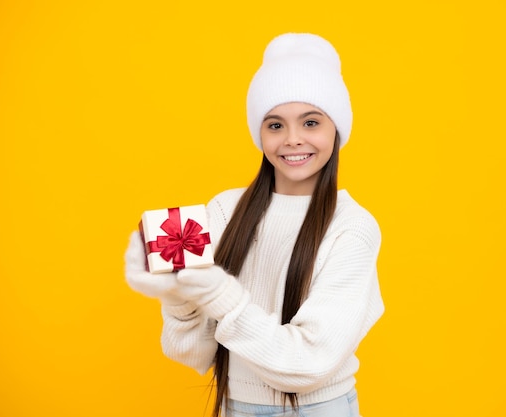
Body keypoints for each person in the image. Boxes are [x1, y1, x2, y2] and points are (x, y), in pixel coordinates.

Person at [124, 32, 385, 417]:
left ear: (336, 129)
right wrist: (177, 298)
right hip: (235, 407)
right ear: (259, 133)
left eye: (311, 122)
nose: (293, 140)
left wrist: (219, 294)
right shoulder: (225, 210)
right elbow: (195, 354)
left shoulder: (353, 227)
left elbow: (307, 365)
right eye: (275, 125)